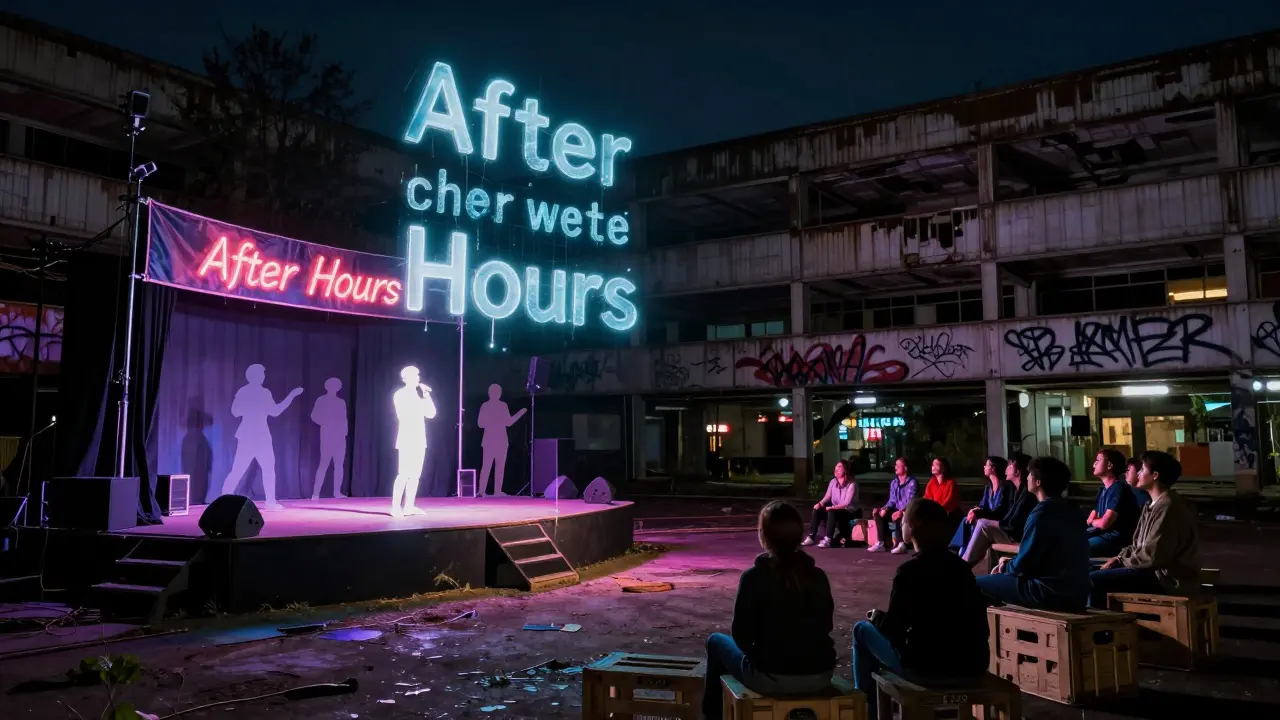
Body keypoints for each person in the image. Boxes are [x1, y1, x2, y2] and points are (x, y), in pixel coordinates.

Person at [852, 499, 990, 717]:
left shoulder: (909, 572)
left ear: (911, 529)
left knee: (861, 631)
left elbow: (895, 631)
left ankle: (869, 711)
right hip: (972, 666)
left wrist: (878, 618)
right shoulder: (962, 569)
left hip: (927, 669)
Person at [703, 501, 835, 719]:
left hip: (771, 676)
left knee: (716, 642)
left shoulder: (753, 577)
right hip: (820, 675)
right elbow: (826, 624)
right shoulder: (817, 576)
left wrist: (764, 655)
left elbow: (741, 636)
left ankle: (712, 715)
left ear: (764, 535)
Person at [975, 456, 1091, 612]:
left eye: (1030, 474)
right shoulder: (1072, 510)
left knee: (973, 584)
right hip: (1077, 593)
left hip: (1046, 591)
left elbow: (1025, 564)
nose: (1027, 477)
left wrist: (1006, 565)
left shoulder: (1042, 513)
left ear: (1038, 482)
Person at [1089, 451, 1200, 608]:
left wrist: (1123, 561)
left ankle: (1103, 628)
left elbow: (1152, 556)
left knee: (1095, 580)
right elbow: (1136, 545)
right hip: (1151, 571)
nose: (1138, 473)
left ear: (1154, 475)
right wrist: (1118, 558)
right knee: (1093, 571)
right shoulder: (1151, 505)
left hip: (1165, 578)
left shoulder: (1168, 507)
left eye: (1142, 470)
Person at [220, 364, 303, 511]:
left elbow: (236, 411)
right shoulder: (257, 392)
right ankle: (227, 498)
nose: (264, 377)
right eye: (262, 374)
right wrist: (291, 395)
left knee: (260, 468)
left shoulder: (252, 391)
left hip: (256, 435)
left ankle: (268, 501)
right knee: (247, 468)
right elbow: (238, 411)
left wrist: (292, 395)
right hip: (255, 434)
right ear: (256, 376)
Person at [961, 453, 1037, 569]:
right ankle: (965, 564)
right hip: (1009, 530)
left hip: (1016, 534)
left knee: (983, 524)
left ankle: (963, 565)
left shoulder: (1026, 493)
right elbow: (1000, 512)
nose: (1006, 469)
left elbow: (1015, 523)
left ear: (1017, 471)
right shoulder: (1012, 489)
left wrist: (1000, 524)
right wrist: (978, 513)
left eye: (1009, 466)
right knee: (980, 523)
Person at [391, 365, 437, 517]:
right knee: (403, 473)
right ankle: (395, 507)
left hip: (419, 438)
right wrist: (419, 400)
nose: (418, 378)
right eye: (415, 375)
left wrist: (426, 396)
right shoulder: (400, 394)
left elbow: (431, 414)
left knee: (415, 475)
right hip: (406, 438)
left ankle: (409, 506)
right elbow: (402, 415)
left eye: (418, 375)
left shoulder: (419, 395)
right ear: (406, 378)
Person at [1085, 449, 1140, 558]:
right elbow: (1091, 517)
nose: (1094, 463)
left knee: (1078, 547)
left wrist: (1094, 521)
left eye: (1098, 460)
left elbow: (1104, 523)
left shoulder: (1119, 488)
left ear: (1109, 465)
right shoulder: (1103, 489)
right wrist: (1095, 521)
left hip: (1115, 541)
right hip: (1102, 535)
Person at [950, 456, 1012, 552]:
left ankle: (961, 552)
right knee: (966, 520)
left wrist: (978, 513)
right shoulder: (989, 488)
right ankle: (959, 551)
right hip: (987, 517)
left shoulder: (1005, 487)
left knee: (973, 521)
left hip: (998, 520)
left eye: (986, 465)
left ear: (993, 468)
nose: (984, 467)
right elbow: (982, 506)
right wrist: (974, 510)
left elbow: (1000, 511)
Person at [476, 384, 527, 497]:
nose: (497, 394)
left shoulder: (503, 406)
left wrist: (520, 413)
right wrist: (494, 420)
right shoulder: (486, 406)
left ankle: (496, 491)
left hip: (501, 441)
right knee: (487, 466)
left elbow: (508, 422)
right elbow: (480, 424)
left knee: (499, 467)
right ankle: (481, 491)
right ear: (490, 393)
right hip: (491, 440)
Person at [804, 459, 860, 548]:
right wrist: (820, 503)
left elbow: (846, 503)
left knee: (832, 511)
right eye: (836, 467)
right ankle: (811, 536)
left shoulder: (852, 484)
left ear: (845, 470)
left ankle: (828, 539)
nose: (836, 469)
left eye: (839, 467)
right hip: (835, 510)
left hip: (848, 511)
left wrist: (832, 507)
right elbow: (827, 497)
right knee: (817, 509)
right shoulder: (833, 482)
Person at [869, 458, 917, 554]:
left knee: (898, 516)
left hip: (907, 510)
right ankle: (882, 542)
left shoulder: (912, 482)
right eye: (895, 465)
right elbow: (892, 500)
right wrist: (884, 508)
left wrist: (902, 511)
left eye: (899, 465)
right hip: (896, 508)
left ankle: (901, 544)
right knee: (879, 513)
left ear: (905, 468)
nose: (896, 467)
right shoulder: (894, 482)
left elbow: (912, 501)